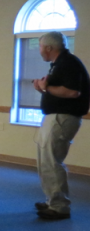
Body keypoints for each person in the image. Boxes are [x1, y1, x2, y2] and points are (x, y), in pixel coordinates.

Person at [32, 31, 90, 220]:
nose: (39, 50)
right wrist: (44, 86)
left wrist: (45, 87)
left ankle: (59, 207)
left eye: (40, 46)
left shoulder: (68, 63)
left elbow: (72, 92)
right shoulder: (58, 65)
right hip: (55, 117)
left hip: (62, 119)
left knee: (52, 161)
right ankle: (52, 201)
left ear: (49, 47)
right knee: (46, 161)